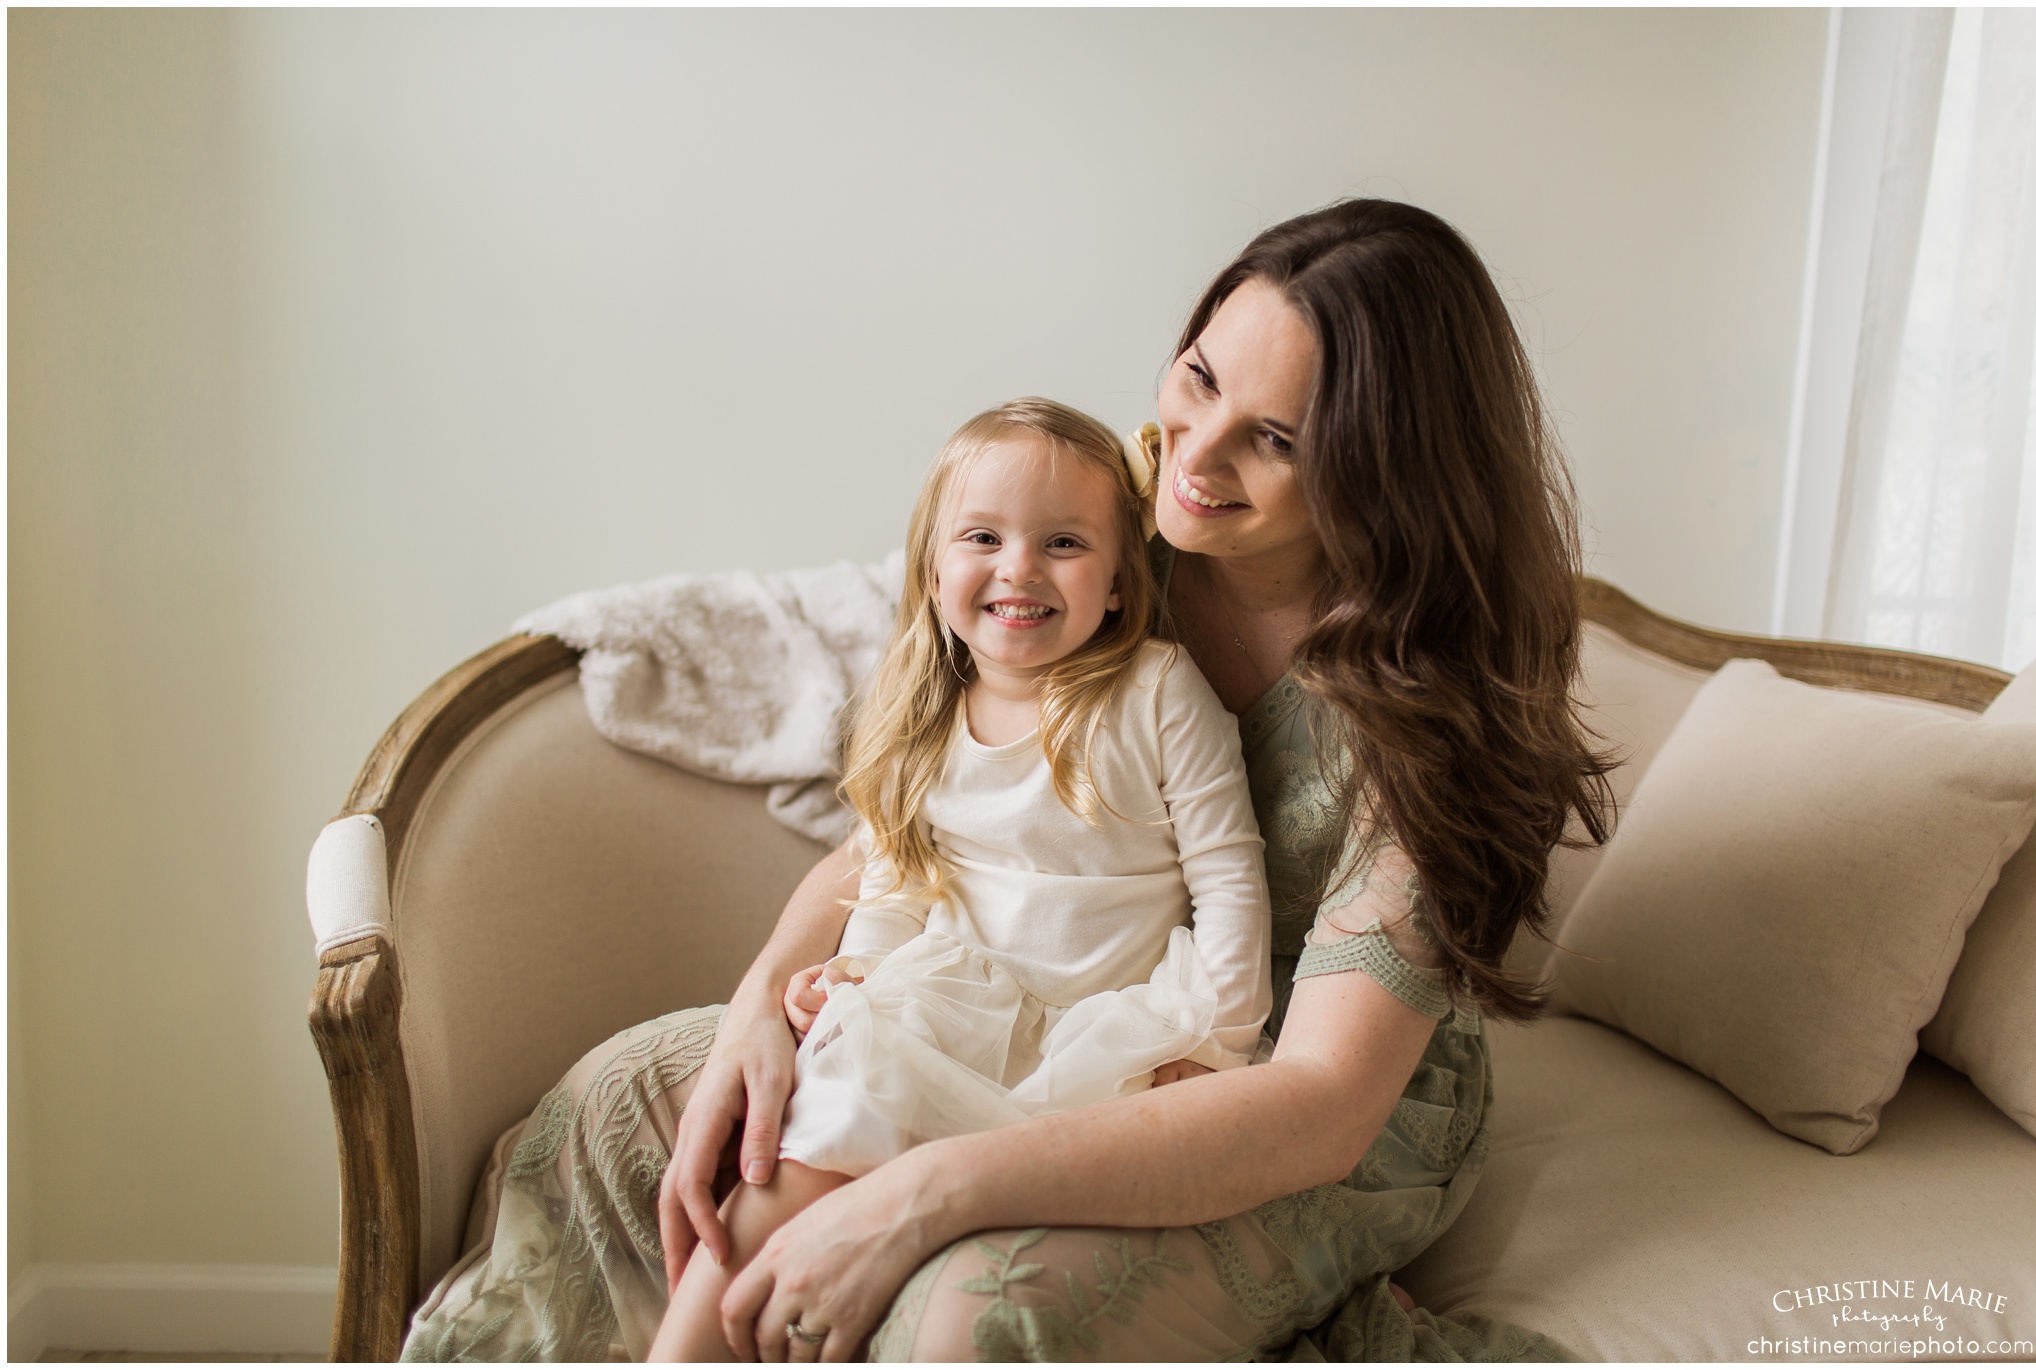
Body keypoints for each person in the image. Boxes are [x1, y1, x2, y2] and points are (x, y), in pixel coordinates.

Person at [400, 198, 1611, 1364]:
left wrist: (921, 1192)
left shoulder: (1430, 699)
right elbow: (926, 826)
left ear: (1381, 469)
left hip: (1274, 1083)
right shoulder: (1101, 546)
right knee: (646, 1104)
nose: (1190, 457)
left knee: (971, 1312)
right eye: (1196, 380)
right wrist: (759, 1003)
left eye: (1275, 439)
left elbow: (1319, 1095)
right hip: (1023, 997)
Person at [648, 397, 1273, 1361]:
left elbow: (1230, 877)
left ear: (1116, 583)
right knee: (792, 1158)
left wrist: (1220, 1045)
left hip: (1097, 1034)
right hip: (947, 1010)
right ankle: (687, 1349)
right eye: (983, 536)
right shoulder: (926, 715)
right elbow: (899, 878)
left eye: (1062, 542)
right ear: (935, 568)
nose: (1019, 567)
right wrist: (854, 973)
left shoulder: (1156, 692)